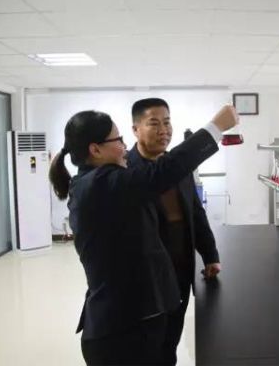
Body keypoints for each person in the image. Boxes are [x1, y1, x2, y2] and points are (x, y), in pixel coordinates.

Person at [48, 105, 238, 365]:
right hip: (122, 332)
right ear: (95, 150)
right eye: (118, 140)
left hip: (140, 317)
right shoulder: (101, 184)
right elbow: (162, 172)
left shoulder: (98, 181)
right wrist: (215, 128)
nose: (124, 146)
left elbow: (189, 208)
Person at [127, 98, 221, 365]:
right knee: (147, 347)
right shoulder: (125, 171)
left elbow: (196, 213)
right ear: (136, 129)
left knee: (170, 343)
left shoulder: (178, 165)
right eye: (154, 123)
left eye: (167, 123)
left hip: (180, 271)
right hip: (146, 279)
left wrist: (210, 255)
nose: (163, 130)